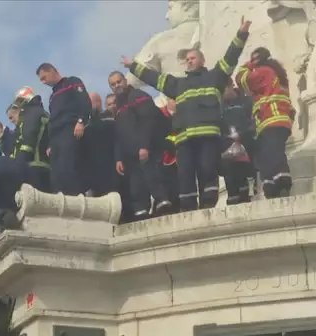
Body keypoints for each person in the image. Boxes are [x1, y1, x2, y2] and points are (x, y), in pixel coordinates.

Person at [122, 16, 252, 212]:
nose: (189, 61)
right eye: (187, 59)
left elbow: (231, 56)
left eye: (192, 58)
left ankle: (209, 202)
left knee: (208, 169)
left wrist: (242, 33)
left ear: (202, 60)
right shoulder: (177, 84)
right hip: (184, 139)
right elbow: (153, 78)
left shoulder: (215, 77)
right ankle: (188, 206)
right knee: (185, 173)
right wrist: (133, 66)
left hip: (208, 135)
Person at [109, 71, 172, 220]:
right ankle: (141, 211)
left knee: (152, 177)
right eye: (113, 84)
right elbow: (118, 133)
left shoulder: (138, 96)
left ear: (125, 81)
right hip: (129, 154)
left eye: (119, 81)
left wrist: (144, 145)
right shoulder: (117, 106)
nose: (117, 85)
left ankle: (163, 203)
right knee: (136, 185)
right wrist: (118, 158)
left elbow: (148, 121)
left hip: (146, 149)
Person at [235, 46, 294, 199]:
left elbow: (242, 80)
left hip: (271, 118)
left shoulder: (264, 72)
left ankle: (280, 185)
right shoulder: (276, 73)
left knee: (272, 153)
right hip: (277, 120)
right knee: (267, 154)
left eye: (254, 58)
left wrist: (247, 65)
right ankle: (271, 185)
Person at [36, 63, 92, 195]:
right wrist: (50, 143)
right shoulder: (52, 96)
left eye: (44, 78)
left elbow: (84, 101)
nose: (43, 82)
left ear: (51, 71)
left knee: (68, 164)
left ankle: (75, 195)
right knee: (56, 171)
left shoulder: (72, 82)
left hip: (70, 128)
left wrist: (80, 121)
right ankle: (61, 197)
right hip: (56, 136)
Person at [7, 87, 52, 193]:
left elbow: (29, 138)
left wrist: (18, 163)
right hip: (46, 165)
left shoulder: (31, 113)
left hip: (33, 166)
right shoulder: (42, 113)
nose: (18, 104)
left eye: (19, 101)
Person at [220, 80, 256, 205]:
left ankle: (247, 193)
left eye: (223, 89)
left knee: (245, 173)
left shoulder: (245, 102)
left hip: (246, 144)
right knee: (229, 173)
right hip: (227, 147)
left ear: (231, 86)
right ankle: (232, 196)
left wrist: (243, 134)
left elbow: (253, 121)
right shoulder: (220, 107)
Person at [83, 92, 117, 197]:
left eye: (90, 102)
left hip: (111, 168)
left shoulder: (110, 121)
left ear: (98, 102)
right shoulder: (85, 124)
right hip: (94, 171)